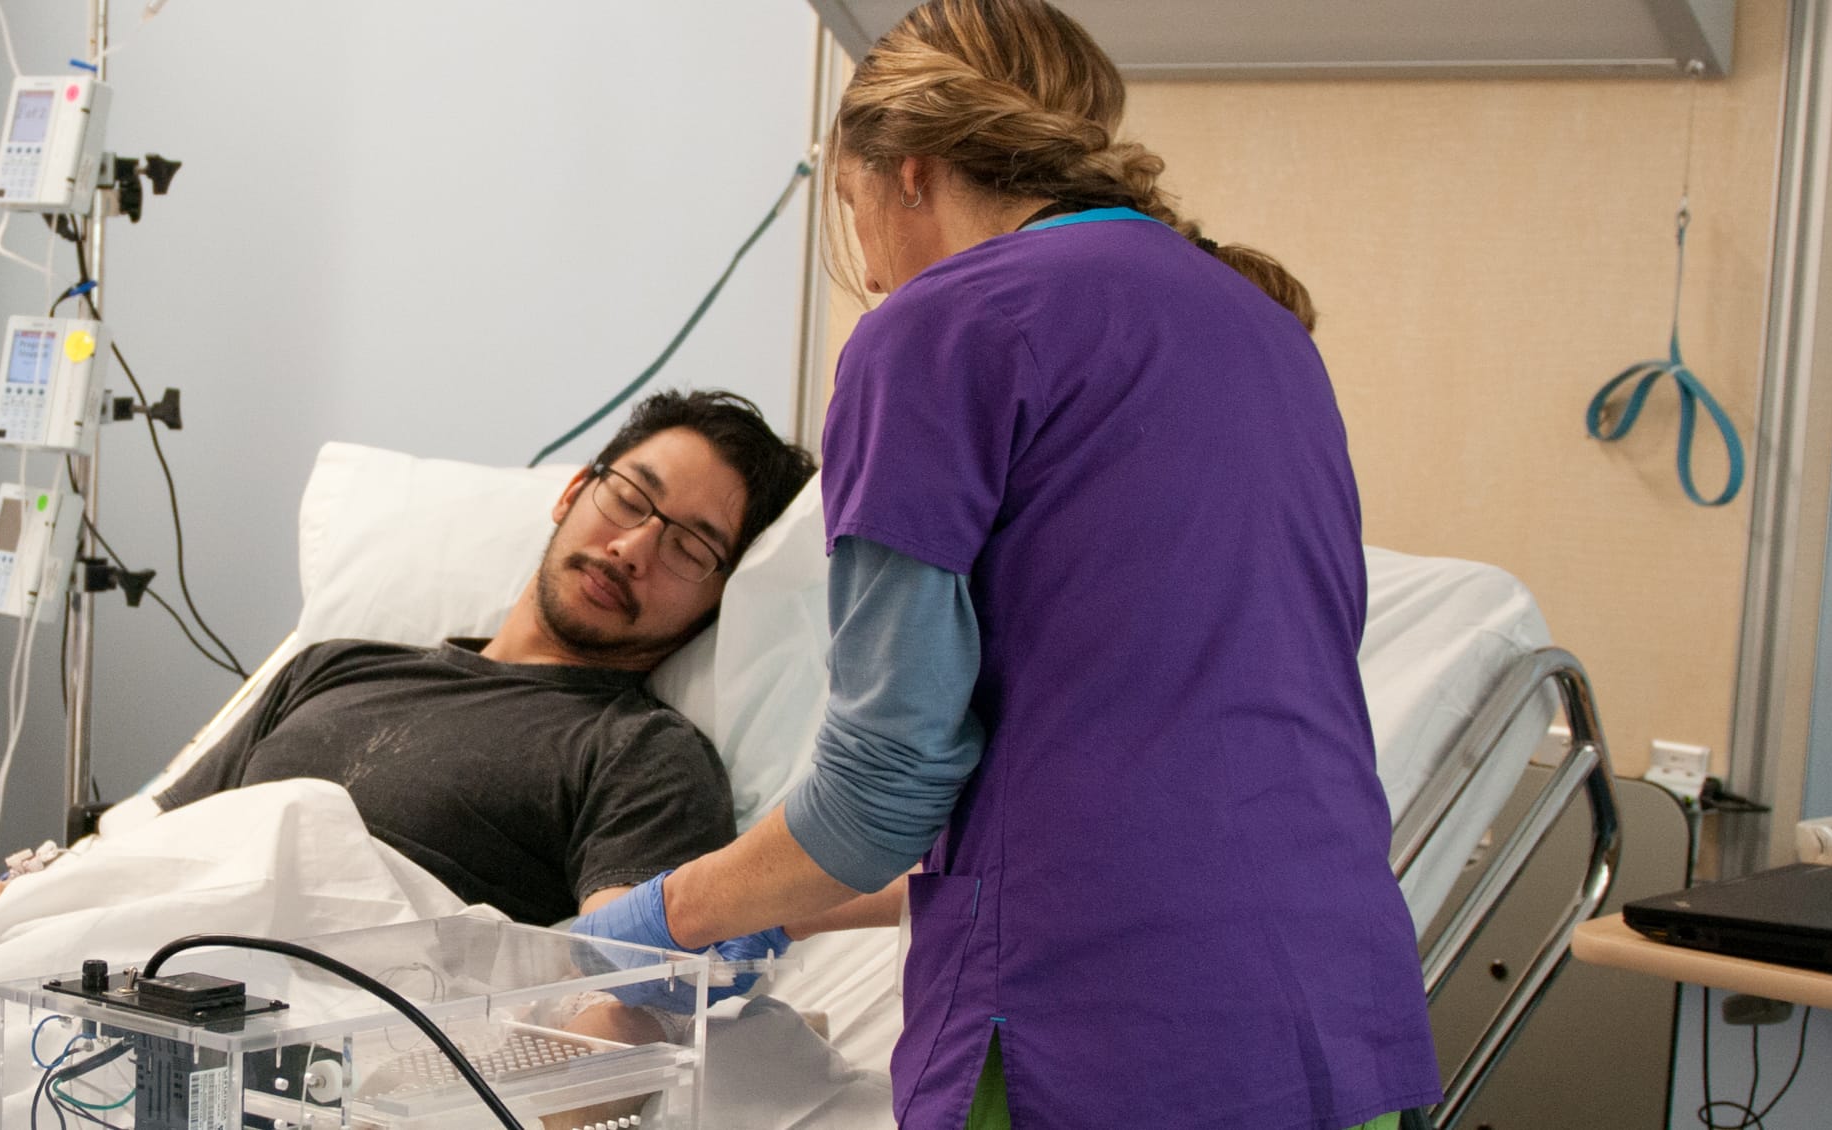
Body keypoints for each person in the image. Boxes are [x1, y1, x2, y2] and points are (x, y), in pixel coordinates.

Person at [571, 3, 1440, 1128]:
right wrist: (775, 906)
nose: (873, 275)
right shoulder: (1261, 327)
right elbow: (1113, 773)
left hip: (1096, 1034)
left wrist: (653, 919)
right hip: (1330, 1010)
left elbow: (880, 790)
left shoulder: (938, 329)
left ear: (910, 174)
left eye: (852, 210)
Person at [128, 389, 816, 927]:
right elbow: (150, 858)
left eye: (690, 550)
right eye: (630, 498)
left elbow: (630, 990)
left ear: (718, 601)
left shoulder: (643, 754)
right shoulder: (331, 666)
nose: (634, 548)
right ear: (573, 492)